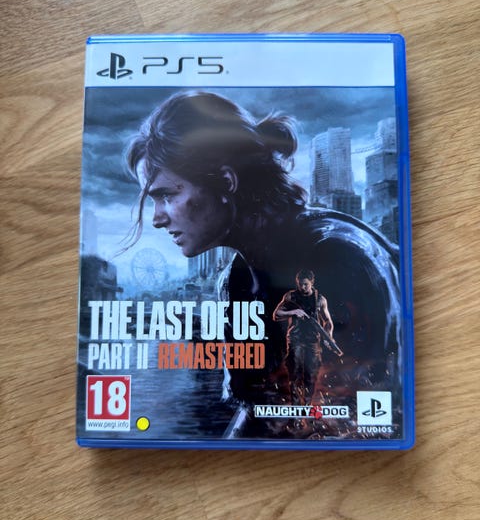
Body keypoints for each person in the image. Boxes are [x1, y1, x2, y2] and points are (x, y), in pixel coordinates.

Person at [126, 90, 401, 437]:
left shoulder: (336, 257)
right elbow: (257, 412)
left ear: (226, 181)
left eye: (167, 195)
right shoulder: (237, 279)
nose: (157, 218)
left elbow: (359, 422)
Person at [273, 269, 336, 405]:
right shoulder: (291, 296)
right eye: (300, 284)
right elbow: (277, 314)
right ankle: (296, 406)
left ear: (312, 282)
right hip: (295, 338)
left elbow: (328, 321)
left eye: (306, 284)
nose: (302, 287)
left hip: (313, 340)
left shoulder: (320, 299)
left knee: (311, 375)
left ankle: (306, 404)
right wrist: (294, 311)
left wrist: (329, 336)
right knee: (294, 372)